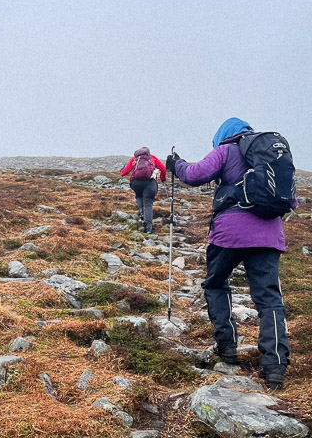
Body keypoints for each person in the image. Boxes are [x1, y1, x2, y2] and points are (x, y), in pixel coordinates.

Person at [165, 118, 294, 389]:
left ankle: (227, 347)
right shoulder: (272, 155)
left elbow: (195, 175)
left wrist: (176, 164)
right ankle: (275, 366)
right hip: (269, 237)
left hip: (228, 234)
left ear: (222, 135)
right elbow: (290, 200)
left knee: (216, 284)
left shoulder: (226, 150)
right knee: (269, 300)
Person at [119, 147, 167, 234]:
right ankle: (148, 227)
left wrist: (122, 172)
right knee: (148, 203)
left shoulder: (135, 159)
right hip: (150, 183)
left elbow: (125, 171)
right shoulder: (152, 158)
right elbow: (163, 168)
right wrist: (163, 178)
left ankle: (142, 212)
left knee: (139, 196)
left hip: (136, 183)